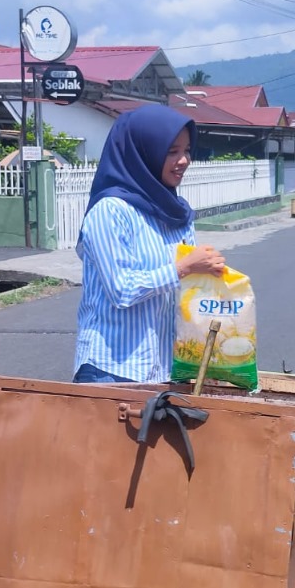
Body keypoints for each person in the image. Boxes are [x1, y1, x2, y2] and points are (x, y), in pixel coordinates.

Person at [73, 104, 224, 384]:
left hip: (164, 369)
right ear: (144, 154)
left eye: (187, 150)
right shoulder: (110, 211)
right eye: (172, 151)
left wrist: (207, 274)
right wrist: (183, 268)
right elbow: (122, 290)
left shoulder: (178, 213)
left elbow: (186, 288)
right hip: (112, 370)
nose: (184, 160)